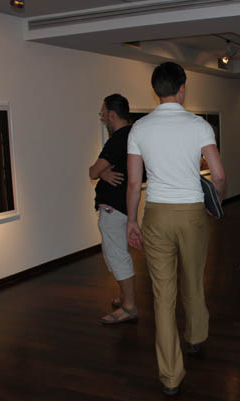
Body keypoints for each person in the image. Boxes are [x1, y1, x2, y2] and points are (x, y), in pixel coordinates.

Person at [125, 62, 225, 396]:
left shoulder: (139, 129)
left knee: (162, 294)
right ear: (182, 88)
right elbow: (218, 175)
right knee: (193, 279)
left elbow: (134, 183)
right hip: (192, 212)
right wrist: (215, 200)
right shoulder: (199, 126)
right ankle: (195, 336)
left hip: (156, 214)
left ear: (156, 90)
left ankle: (170, 375)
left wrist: (131, 220)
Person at [89, 93, 138, 324]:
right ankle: (124, 298)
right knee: (115, 253)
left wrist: (100, 172)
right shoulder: (134, 135)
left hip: (113, 208)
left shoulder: (118, 139)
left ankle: (129, 307)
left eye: (102, 113)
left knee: (117, 255)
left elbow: (92, 171)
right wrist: (104, 173)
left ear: (111, 115)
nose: (101, 118)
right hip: (123, 206)